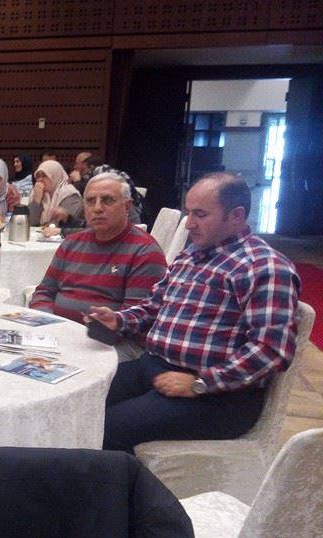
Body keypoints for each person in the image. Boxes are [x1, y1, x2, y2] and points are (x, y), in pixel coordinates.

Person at [89, 173, 301, 454]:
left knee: (108, 428)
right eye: (188, 212)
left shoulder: (264, 267)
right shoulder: (191, 254)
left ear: (236, 216)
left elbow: (270, 351)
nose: (188, 223)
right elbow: (154, 306)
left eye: (200, 214)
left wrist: (201, 383)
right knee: (84, 399)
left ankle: (117, 482)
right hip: (154, 366)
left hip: (217, 396)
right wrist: (119, 319)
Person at [29, 173, 166, 361]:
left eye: (107, 200)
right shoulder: (71, 243)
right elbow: (44, 292)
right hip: (58, 337)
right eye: (90, 201)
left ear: (127, 207)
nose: (97, 208)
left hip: (112, 345)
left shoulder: (144, 252)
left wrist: (76, 338)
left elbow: (136, 322)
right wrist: (49, 324)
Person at [28, 160, 83, 228]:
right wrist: (36, 200)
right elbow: (31, 222)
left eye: (44, 176)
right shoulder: (37, 193)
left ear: (56, 176)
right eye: (38, 176)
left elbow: (62, 224)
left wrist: (42, 228)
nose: (40, 180)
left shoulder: (69, 194)